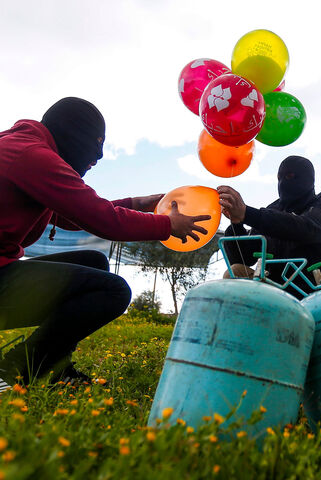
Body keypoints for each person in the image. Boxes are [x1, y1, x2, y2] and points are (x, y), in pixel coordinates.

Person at [0, 97, 210, 391]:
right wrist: (168, 225)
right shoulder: (32, 156)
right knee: (113, 291)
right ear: (73, 136)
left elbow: (72, 213)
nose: (97, 157)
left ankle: (58, 369)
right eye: (95, 145)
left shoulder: (25, 147)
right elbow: (103, 220)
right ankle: (12, 371)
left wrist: (138, 204)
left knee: (93, 263)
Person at [217, 155, 321, 299]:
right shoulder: (272, 212)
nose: (283, 182)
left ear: (308, 180)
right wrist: (236, 223)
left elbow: (304, 229)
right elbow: (244, 258)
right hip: (275, 293)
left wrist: (247, 214)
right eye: (279, 178)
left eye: (290, 176)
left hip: (318, 293)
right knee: (235, 271)